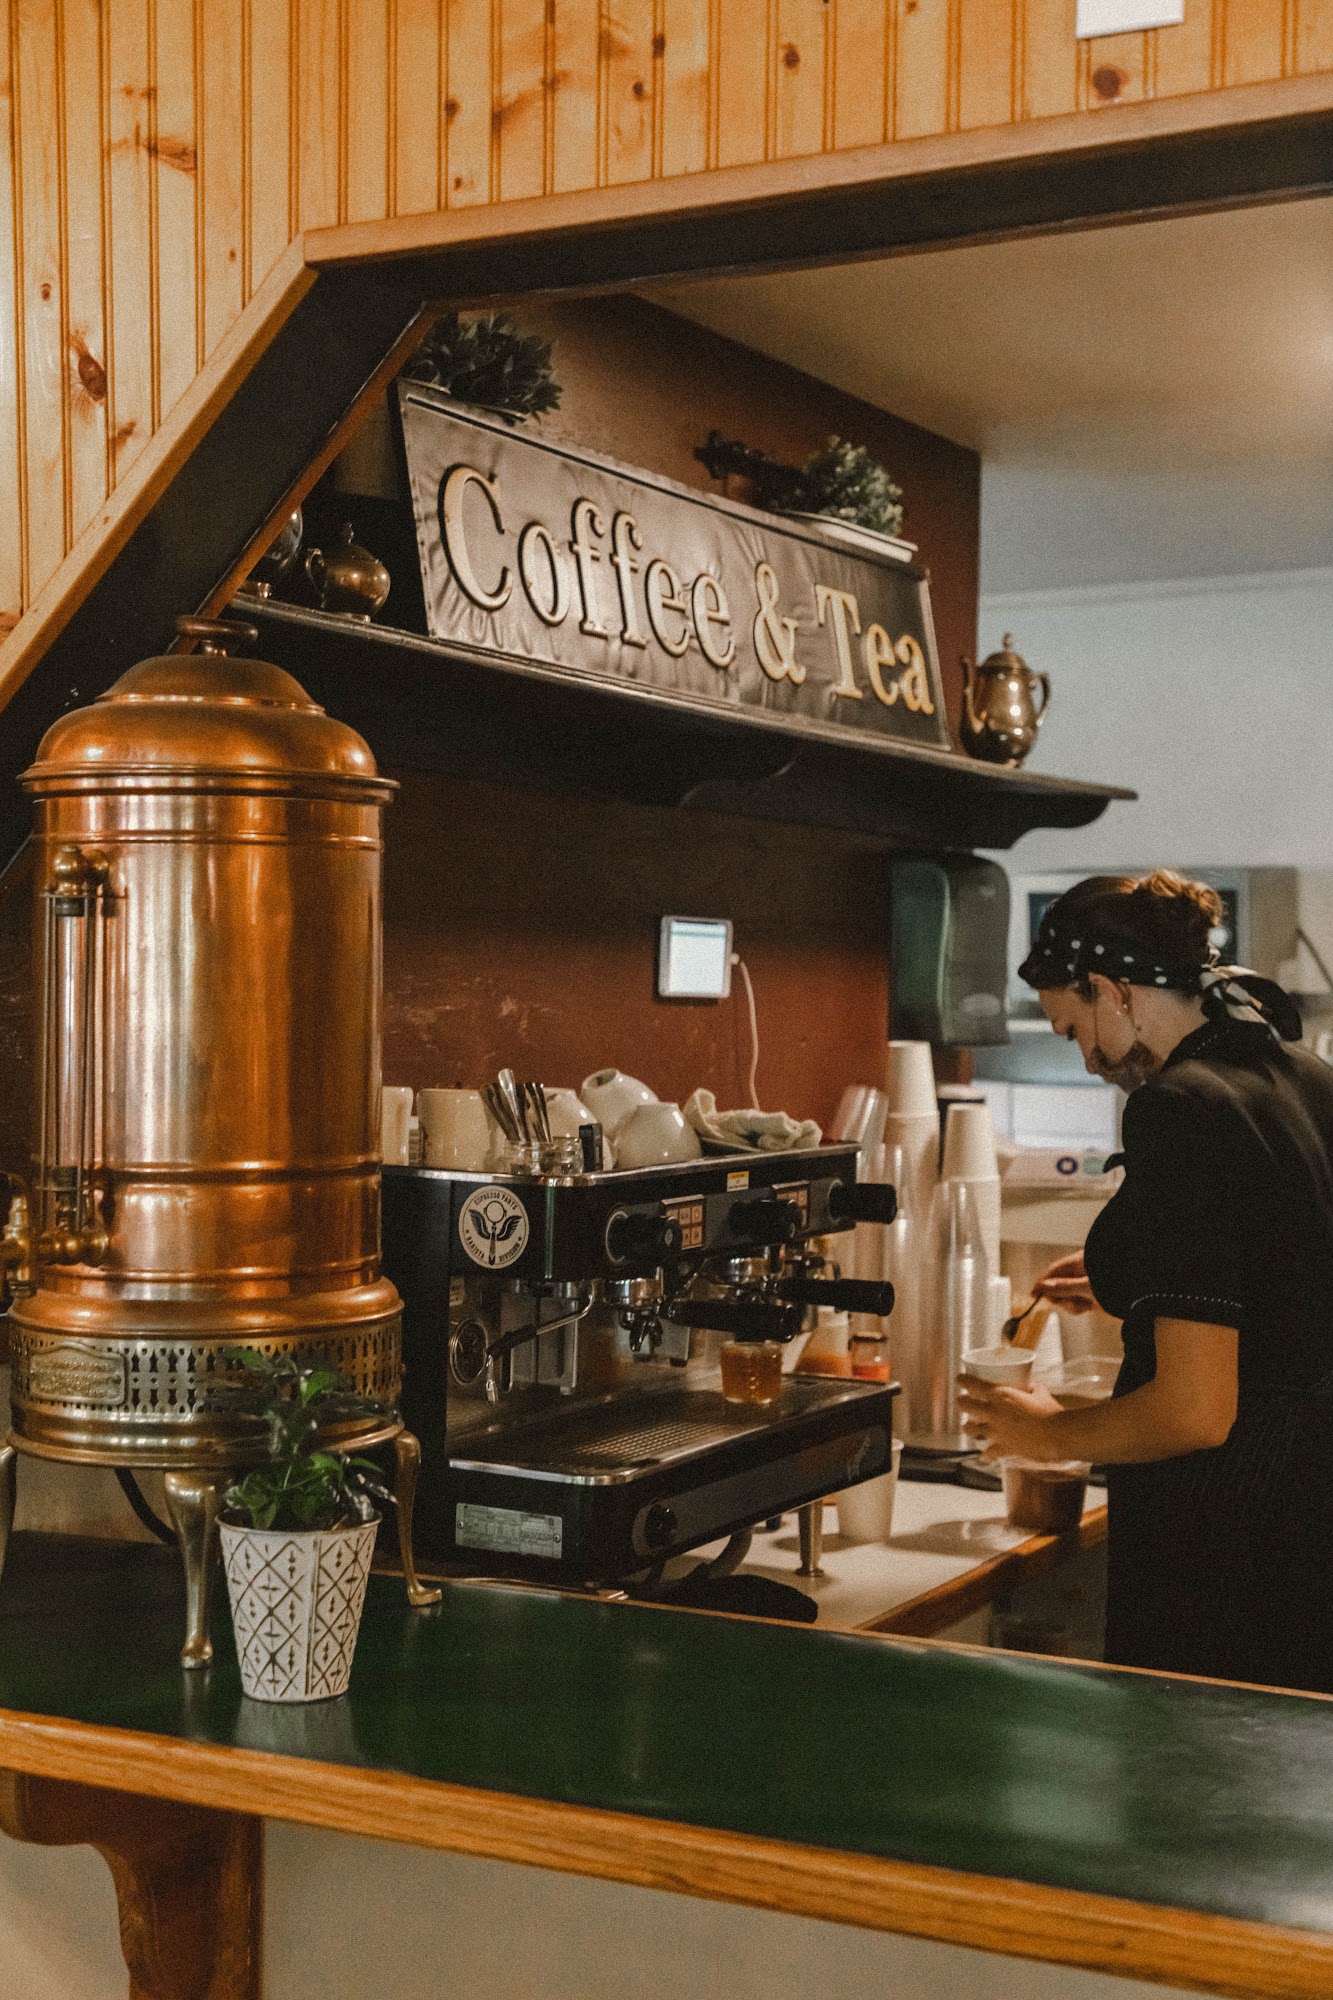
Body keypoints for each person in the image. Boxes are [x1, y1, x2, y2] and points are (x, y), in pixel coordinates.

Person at [958, 869, 1333, 1692]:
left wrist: (1044, 1435)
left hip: (1221, 1552)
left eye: (1074, 1029)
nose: (1087, 1061)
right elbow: (1291, 1270)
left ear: (1110, 990)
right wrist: (1132, 1284)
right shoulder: (1301, 1075)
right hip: (1307, 1528)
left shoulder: (1175, 1109)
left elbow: (1195, 1412)